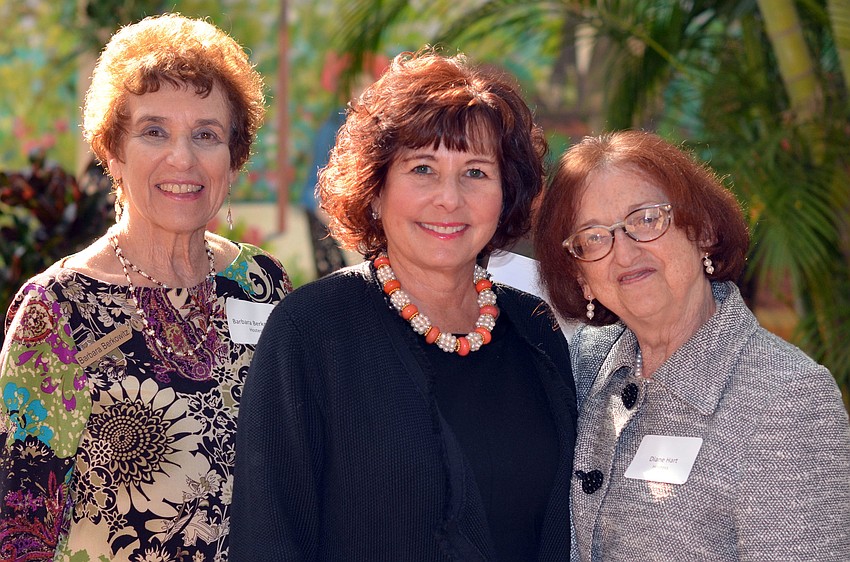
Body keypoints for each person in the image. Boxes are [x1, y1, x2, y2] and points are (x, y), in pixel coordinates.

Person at [230, 49, 577, 561]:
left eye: (476, 173)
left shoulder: (538, 332)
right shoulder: (311, 332)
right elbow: (269, 539)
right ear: (375, 190)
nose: (449, 199)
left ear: (507, 192)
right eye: (423, 169)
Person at [0, 13, 291, 561]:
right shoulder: (56, 309)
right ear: (113, 152)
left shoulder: (262, 285)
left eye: (206, 135)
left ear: (233, 162)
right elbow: (21, 529)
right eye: (154, 131)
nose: (182, 158)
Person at [533, 130, 850, 561]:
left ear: (700, 229)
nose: (623, 253)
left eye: (645, 219)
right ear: (581, 276)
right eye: (593, 237)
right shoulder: (584, 365)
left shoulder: (787, 396)